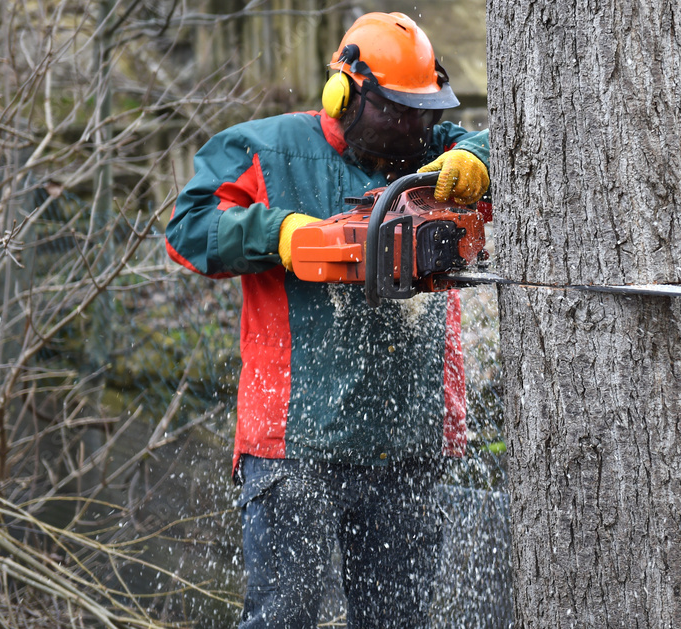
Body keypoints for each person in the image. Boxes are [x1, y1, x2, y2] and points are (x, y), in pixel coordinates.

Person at [164, 12, 490, 628]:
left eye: (424, 112)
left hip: (410, 443)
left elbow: (500, 142)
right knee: (283, 618)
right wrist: (277, 233)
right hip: (296, 446)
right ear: (345, 95)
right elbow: (187, 227)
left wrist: (475, 154)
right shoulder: (263, 149)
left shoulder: (431, 152)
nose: (412, 127)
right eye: (396, 110)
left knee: (400, 620)